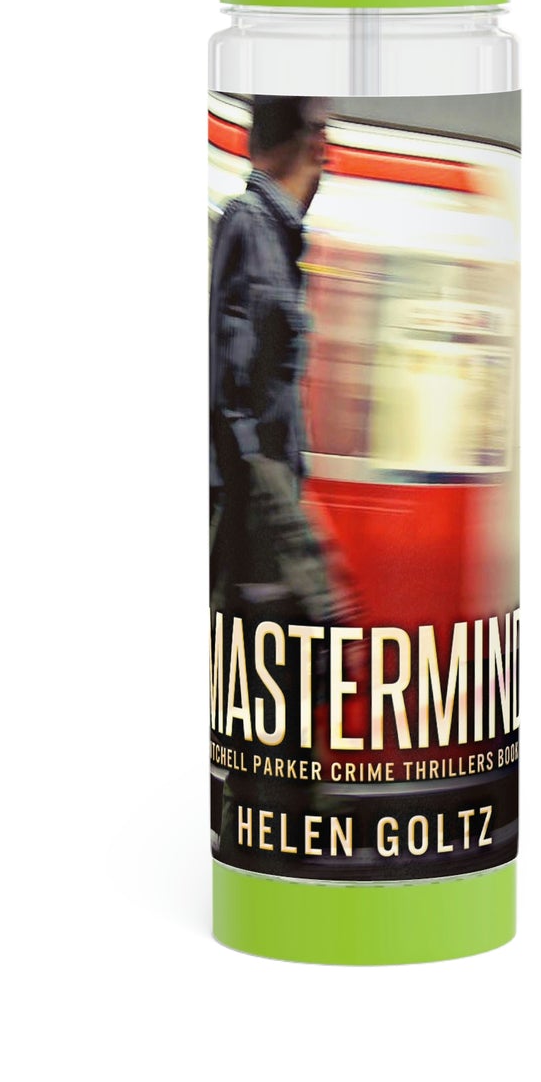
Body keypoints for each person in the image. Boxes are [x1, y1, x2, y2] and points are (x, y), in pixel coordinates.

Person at [209, 97, 350, 685]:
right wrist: (304, 556)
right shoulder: (251, 226)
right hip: (253, 542)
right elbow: (236, 411)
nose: (329, 154)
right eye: (323, 134)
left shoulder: (280, 241)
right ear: (311, 143)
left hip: (263, 534)